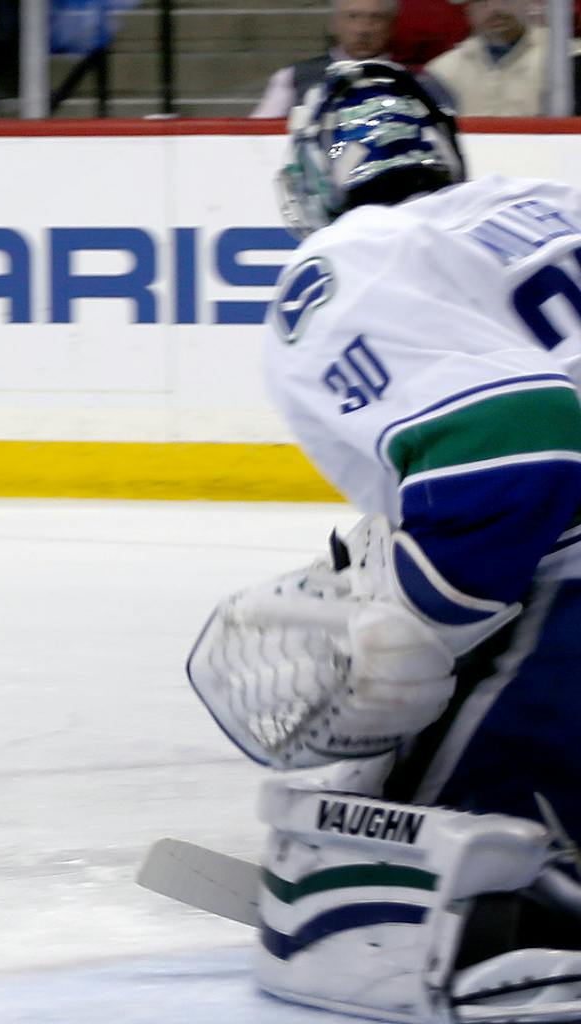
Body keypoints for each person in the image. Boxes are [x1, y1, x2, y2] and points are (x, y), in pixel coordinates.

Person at [186, 59, 581, 1022]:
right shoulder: (548, 207)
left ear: (311, 180)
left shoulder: (348, 261)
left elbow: (517, 459)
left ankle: (528, 917)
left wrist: (412, 618)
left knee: (424, 851)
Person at [251, 0, 450, 117]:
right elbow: (258, 136)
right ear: (334, 23)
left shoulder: (419, 84)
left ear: (392, 26)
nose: (363, 29)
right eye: (353, 17)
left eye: (375, 18)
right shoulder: (294, 78)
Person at [424, 0, 546, 115]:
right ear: (469, 12)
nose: (495, 9)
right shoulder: (443, 72)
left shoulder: (554, 59)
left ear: (526, 3)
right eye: (481, 2)